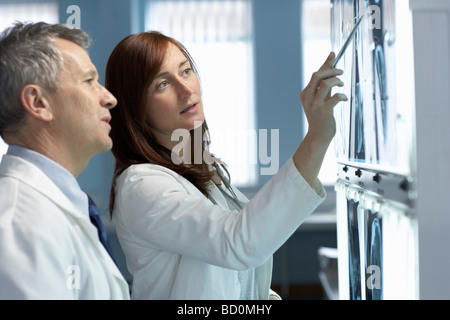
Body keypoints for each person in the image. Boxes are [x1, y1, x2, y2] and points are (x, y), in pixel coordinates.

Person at [105, 31, 347, 300]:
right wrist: (317, 137)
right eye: (162, 84)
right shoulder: (143, 186)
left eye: (186, 71)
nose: (186, 89)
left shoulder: (200, 167)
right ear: (135, 108)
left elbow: (230, 274)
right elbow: (240, 242)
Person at [0, 22, 130, 299]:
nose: (110, 98)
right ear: (38, 103)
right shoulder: (20, 225)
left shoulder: (57, 208)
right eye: (88, 81)